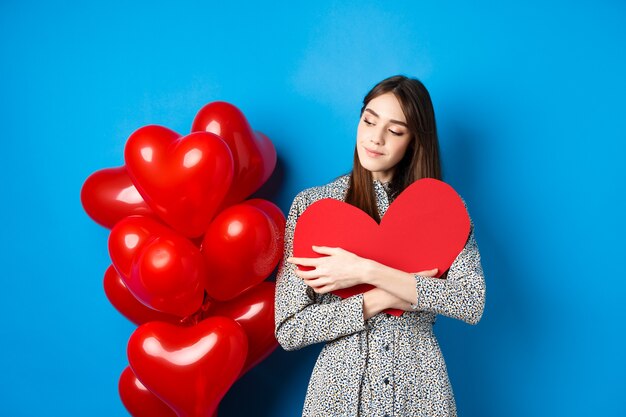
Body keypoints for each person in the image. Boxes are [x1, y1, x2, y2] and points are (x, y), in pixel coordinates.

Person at [274, 75, 486, 417]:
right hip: (338, 395)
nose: (375, 138)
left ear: (415, 140)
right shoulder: (314, 207)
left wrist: (363, 270)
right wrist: (381, 298)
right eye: (369, 120)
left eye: (396, 130)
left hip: (421, 392)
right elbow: (290, 328)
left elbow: (470, 302)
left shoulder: (443, 210)